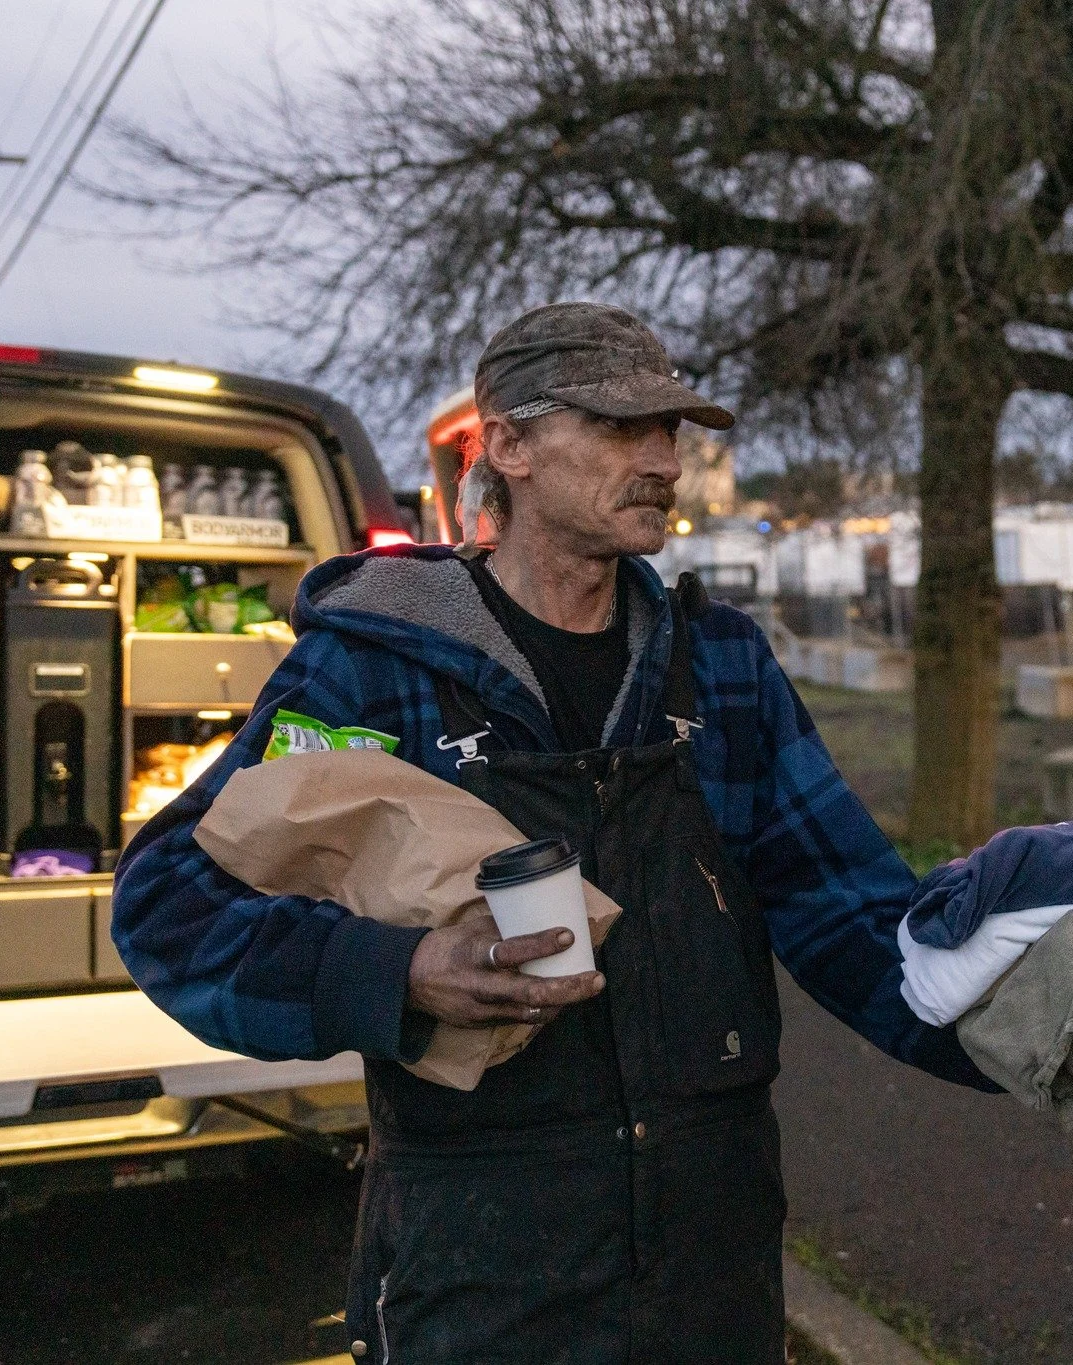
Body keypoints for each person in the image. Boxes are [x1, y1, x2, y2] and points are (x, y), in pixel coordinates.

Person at [113, 302, 991, 1363]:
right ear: (510, 447)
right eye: (624, 428)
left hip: (708, 1272)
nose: (665, 459)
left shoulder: (716, 666)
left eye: (672, 430)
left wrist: (1041, 1017)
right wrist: (397, 970)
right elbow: (171, 907)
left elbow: (851, 918)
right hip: (481, 1270)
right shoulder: (378, 669)